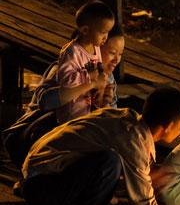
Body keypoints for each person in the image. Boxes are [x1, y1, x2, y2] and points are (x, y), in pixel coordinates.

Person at [21, 87, 180, 205]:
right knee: (110, 162)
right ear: (169, 126)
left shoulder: (126, 119)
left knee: (111, 166)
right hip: (41, 186)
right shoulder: (132, 139)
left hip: (42, 177)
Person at [2, 25, 125, 170]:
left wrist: (104, 105)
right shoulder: (64, 71)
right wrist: (89, 85)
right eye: (112, 53)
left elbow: (108, 123)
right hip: (30, 137)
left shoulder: (108, 79)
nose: (117, 59)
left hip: (71, 143)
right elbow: (45, 102)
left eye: (121, 54)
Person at [56, 0, 115, 123]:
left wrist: (102, 87)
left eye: (108, 32)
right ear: (85, 30)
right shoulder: (72, 52)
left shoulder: (96, 48)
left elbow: (97, 72)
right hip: (72, 117)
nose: (106, 37)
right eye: (103, 32)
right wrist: (91, 77)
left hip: (88, 113)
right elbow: (65, 80)